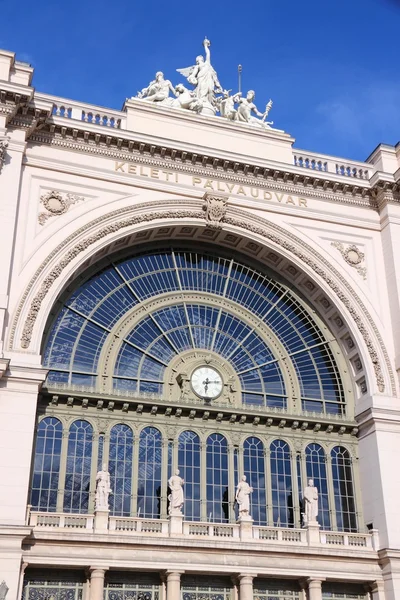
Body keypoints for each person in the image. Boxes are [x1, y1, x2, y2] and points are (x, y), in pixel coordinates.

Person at [177, 38, 223, 109]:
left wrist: (205, 46)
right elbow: (193, 74)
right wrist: (191, 78)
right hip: (201, 78)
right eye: (199, 59)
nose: (200, 59)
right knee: (202, 91)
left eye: (201, 58)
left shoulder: (207, 63)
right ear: (197, 60)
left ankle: (208, 102)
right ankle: (201, 101)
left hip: (208, 78)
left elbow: (208, 53)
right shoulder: (197, 66)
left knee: (210, 90)